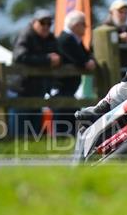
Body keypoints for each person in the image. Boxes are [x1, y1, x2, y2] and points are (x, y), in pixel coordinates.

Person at [8, 9, 60, 137]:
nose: (46, 26)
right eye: (43, 22)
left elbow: (59, 54)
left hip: (38, 89)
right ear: (34, 22)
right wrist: (47, 59)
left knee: (34, 131)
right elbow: (20, 56)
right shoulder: (25, 34)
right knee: (18, 132)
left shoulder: (50, 37)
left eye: (49, 23)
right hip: (21, 89)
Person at [54, 10, 97, 134]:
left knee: (70, 114)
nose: (86, 27)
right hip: (62, 86)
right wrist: (86, 62)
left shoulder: (74, 39)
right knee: (63, 116)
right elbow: (80, 59)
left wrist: (87, 61)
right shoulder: (66, 39)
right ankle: (62, 138)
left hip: (69, 88)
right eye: (84, 24)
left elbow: (86, 55)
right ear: (76, 25)